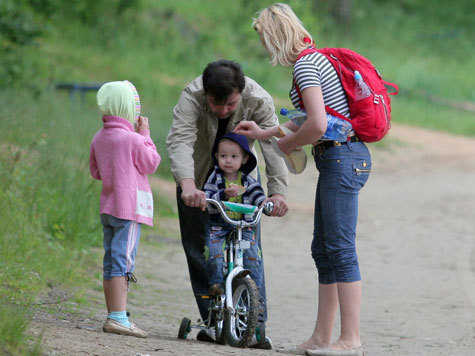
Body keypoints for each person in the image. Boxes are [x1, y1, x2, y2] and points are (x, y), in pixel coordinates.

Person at [234, 4, 371, 356]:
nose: (265, 48)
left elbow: (318, 126)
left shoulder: (306, 66)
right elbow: (309, 118)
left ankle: (351, 339)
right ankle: (322, 338)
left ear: (274, 36)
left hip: (342, 157)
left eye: (265, 39)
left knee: (340, 249)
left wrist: (285, 145)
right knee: (323, 249)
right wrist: (265, 132)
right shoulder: (313, 60)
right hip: (338, 158)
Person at [166, 59, 289, 349]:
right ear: (206, 93)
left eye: (231, 105)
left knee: (250, 254)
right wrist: (187, 185)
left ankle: (254, 327)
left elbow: (273, 145)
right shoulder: (191, 97)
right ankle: (214, 322)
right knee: (202, 251)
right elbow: (180, 140)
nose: (223, 110)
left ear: (241, 92)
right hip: (197, 181)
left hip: (241, 188)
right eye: (217, 104)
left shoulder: (258, 99)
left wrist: (277, 192)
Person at [90, 80, 161, 338]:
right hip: (129, 209)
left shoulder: (99, 137)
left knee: (111, 261)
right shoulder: (132, 139)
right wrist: (146, 134)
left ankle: (114, 314)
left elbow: (95, 171)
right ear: (130, 109)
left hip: (108, 207)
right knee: (124, 262)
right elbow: (151, 162)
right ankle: (119, 317)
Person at [203, 133, 267, 297]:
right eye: (223, 156)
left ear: (244, 159)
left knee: (253, 256)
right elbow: (208, 197)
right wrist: (223, 194)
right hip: (219, 224)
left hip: (243, 225)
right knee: (213, 250)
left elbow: (258, 194)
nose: (228, 160)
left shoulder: (247, 181)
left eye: (234, 156)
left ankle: (254, 296)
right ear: (217, 156)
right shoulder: (215, 178)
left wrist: (264, 204)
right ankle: (216, 284)